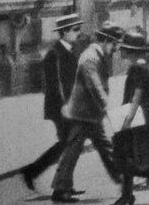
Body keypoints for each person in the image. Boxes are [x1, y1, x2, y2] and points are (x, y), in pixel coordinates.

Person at [51, 22, 125, 203]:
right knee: (75, 149)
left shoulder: (97, 54)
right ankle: (60, 190)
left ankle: (123, 179)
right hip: (84, 113)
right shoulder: (90, 57)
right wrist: (105, 104)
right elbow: (94, 84)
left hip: (90, 112)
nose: (116, 48)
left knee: (101, 147)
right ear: (107, 40)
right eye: (115, 44)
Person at [21, 14, 83, 191]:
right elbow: (55, 84)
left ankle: (38, 173)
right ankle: (35, 173)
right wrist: (65, 105)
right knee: (68, 144)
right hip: (60, 108)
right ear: (64, 32)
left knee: (68, 144)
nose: (78, 33)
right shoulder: (54, 54)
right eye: (75, 30)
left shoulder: (71, 50)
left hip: (70, 106)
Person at [113, 29, 149, 205]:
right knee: (134, 155)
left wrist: (128, 119)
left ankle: (132, 194)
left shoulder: (137, 67)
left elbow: (137, 94)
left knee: (127, 155)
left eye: (124, 48)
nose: (121, 51)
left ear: (131, 50)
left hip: (137, 116)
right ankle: (130, 194)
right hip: (146, 116)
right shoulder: (145, 64)